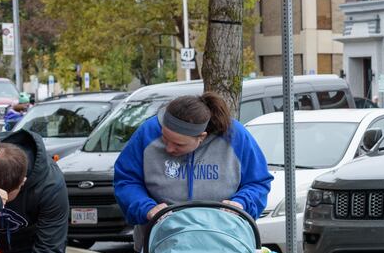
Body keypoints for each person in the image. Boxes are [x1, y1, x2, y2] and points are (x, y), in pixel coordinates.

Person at [113, 93, 273, 240]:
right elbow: (126, 180)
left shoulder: (236, 137)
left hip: (225, 242)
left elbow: (258, 182)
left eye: (178, 144)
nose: (168, 148)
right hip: (158, 243)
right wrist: (147, 208)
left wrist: (241, 203)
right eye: (164, 138)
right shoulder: (147, 132)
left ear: (201, 137)